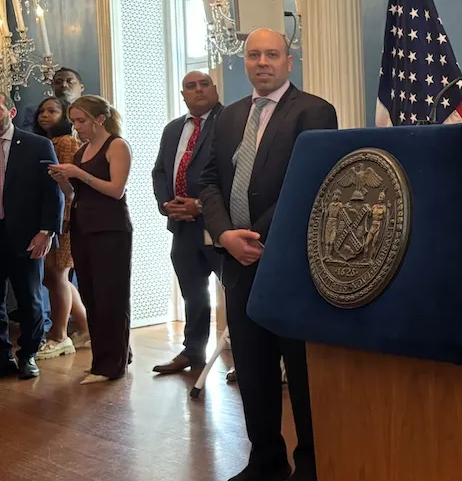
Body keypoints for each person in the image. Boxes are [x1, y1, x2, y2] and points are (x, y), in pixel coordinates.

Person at [199, 28, 337, 481]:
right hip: (236, 263)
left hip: (289, 262)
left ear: (288, 61)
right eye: (254, 55)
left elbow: (310, 180)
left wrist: (253, 237)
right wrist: (225, 235)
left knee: (300, 369)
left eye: (272, 54)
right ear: (245, 62)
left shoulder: (314, 111)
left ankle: (311, 465)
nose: (262, 62)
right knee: (253, 368)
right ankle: (265, 461)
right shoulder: (230, 116)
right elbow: (209, 181)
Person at [48, 95, 133, 385]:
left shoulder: (117, 145)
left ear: (100, 119)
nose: (77, 127)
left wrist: (78, 173)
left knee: (111, 297)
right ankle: (108, 357)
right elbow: (75, 195)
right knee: (92, 295)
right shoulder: (82, 150)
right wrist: (63, 181)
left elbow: (116, 190)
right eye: (73, 121)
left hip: (111, 229)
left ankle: (111, 365)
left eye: (81, 120)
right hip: (83, 228)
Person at [150, 71, 223, 374]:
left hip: (220, 224)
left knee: (237, 293)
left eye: (204, 84)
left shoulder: (229, 122)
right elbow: (160, 171)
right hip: (182, 226)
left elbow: (232, 174)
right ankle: (193, 352)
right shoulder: (173, 129)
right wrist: (167, 204)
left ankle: (249, 359)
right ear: (183, 95)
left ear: (214, 89)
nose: (198, 90)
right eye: (191, 87)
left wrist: (200, 205)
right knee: (193, 293)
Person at [0, 92, 63, 379]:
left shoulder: (37, 145)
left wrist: (46, 232)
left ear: (11, 112)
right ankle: (2, 357)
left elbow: (52, 193)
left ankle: (28, 354)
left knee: (30, 299)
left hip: (27, 236)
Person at [32, 96, 90, 360]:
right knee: (55, 276)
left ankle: (59, 335)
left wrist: (63, 220)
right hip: (51, 219)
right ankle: (86, 328)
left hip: (62, 221)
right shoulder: (47, 141)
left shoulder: (66, 142)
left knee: (57, 275)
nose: (45, 115)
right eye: (42, 111)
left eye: (52, 111)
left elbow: (67, 187)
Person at [19, 67, 85, 131]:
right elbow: (29, 135)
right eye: (58, 82)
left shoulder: (89, 109)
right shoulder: (34, 111)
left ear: (81, 87)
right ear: (53, 86)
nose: (64, 85)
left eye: (70, 81)